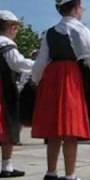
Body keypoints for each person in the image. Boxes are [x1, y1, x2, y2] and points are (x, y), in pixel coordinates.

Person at [31, 1, 90, 180]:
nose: (83, 10)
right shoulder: (81, 30)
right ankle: (70, 176)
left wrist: (35, 81)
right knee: (70, 129)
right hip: (71, 77)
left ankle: (50, 173)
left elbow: (40, 62)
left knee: (54, 130)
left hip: (52, 77)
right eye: (82, 7)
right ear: (76, 8)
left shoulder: (50, 33)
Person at [0, 10, 35, 178]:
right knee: (7, 127)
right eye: (15, 27)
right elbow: (17, 63)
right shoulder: (5, 42)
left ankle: (7, 167)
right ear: (8, 26)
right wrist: (40, 64)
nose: (17, 30)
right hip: (3, 91)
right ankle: (6, 167)